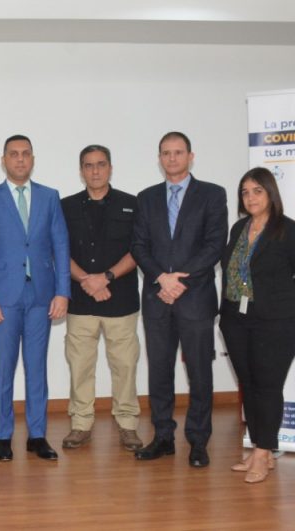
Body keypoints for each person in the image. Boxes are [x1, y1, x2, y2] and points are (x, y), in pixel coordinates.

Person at [132, 131, 227, 467]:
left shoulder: (212, 195)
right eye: (165, 153)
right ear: (159, 158)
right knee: (159, 371)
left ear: (190, 156)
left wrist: (179, 279)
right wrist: (161, 278)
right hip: (157, 297)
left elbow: (215, 245)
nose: (171, 158)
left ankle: (198, 442)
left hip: (195, 298)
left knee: (200, 371)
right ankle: (162, 437)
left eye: (178, 152)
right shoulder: (146, 198)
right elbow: (139, 246)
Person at [0, 134, 69, 462]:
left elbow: (61, 246)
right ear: (4, 160)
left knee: (37, 367)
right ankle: (3, 436)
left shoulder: (49, 197)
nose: (20, 160)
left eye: (26, 154)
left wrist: (62, 292)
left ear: (33, 158)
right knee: (3, 368)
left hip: (41, 295)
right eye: (13, 154)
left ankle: (37, 435)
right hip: (3, 297)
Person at [59, 145, 143, 451]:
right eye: (88, 165)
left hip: (120, 300)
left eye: (101, 164)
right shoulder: (64, 206)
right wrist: (86, 280)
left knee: (125, 366)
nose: (95, 171)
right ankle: (81, 424)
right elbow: (58, 250)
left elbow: (139, 249)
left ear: (110, 168)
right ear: (81, 170)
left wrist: (105, 278)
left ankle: (128, 424)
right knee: (80, 366)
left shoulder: (132, 204)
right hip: (81, 301)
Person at [219, 167, 295, 483]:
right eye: (245, 192)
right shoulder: (239, 228)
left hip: (275, 321)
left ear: (270, 193)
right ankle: (257, 448)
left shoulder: (287, 230)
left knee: (267, 386)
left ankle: (264, 452)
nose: (250, 197)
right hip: (236, 318)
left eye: (257, 191)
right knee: (249, 385)